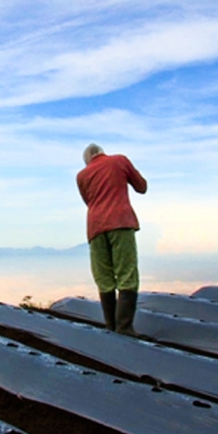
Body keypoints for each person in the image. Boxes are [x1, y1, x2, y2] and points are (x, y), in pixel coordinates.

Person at [77, 143, 147, 336]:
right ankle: (124, 327)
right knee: (126, 273)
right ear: (102, 152)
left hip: (95, 227)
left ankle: (111, 326)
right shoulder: (119, 161)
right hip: (120, 221)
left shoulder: (82, 175)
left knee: (104, 277)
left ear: (87, 160)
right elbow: (142, 187)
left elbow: (89, 202)